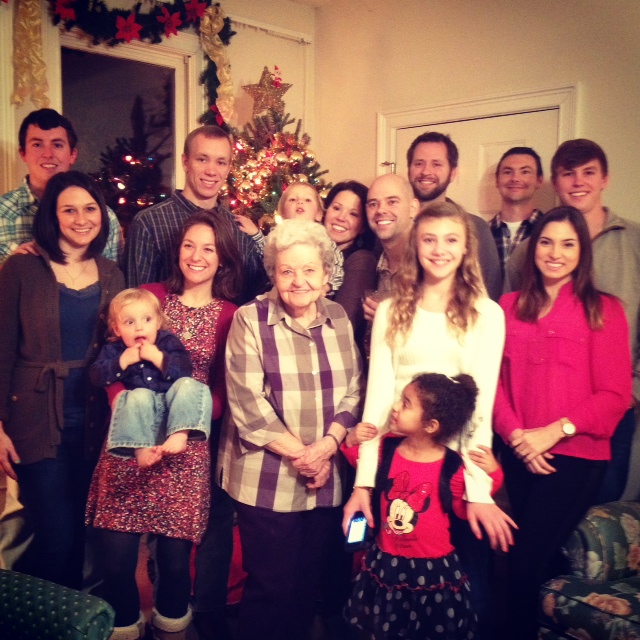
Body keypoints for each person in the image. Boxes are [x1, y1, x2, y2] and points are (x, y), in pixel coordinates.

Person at [343, 200, 515, 638]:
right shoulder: (390, 310)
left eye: (450, 240)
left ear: (466, 248)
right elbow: (378, 402)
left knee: (462, 600)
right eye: (429, 240)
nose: (439, 250)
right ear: (415, 246)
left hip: (453, 474)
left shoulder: (487, 314)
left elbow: (480, 407)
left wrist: (479, 491)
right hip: (398, 466)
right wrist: (363, 484)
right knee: (390, 593)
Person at [86, 211, 240, 640]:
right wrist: (129, 406)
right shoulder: (150, 297)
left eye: (208, 248)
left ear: (223, 258)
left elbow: (223, 391)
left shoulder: (231, 314)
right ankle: (124, 627)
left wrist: (185, 414)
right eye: (189, 245)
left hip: (182, 447)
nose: (197, 256)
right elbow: (109, 368)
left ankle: (170, 629)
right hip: (130, 438)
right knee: (116, 562)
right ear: (177, 251)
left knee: (174, 566)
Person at [218, 219, 364, 640]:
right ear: (273, 274)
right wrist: (307, 456)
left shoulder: (338, 317)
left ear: (326, 273)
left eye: (309, 270)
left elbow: (354, 390)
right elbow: (248, 406)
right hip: (267, 477)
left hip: (325, 475)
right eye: (287, 271)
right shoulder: (250, 319)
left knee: (306, 583)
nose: (299, 281)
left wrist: (327, 447)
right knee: (271, 587)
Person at [494, 206, 632, 640]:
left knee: (523, 563)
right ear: (533, 247)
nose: (556, 253)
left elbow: (615, 395)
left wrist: (553, 432)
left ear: (582, 251)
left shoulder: (604, 309)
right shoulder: (508, 307)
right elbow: (492, 383)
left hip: (575, 457)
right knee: (542, 564)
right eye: (547, 242)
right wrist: (517, 437)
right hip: (518, 453)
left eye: (568, 244)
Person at [0, 170, 124, 588]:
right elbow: (1, 348)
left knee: (81, 535)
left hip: (94, 424)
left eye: (90, 209)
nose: (81, 219)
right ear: (52, 216)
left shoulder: (112, 274)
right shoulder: (21, 268)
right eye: (69, 210)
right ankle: (20, 610)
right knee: (55, 537)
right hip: (34, 422)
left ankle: (68, 616)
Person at [505, 139, 640, 504]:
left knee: (602, 514)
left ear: (605, 179)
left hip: (611, 410)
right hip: (530, 422)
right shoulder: (525, 252)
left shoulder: (634, 240)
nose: (578, 182)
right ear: (555, 181)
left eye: (588, 172)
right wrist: (518, 430)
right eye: (568, 174)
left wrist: (631, 391)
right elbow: (511, 342)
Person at [343, 373, 503, 640]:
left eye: (406, 403)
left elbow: (469, 505)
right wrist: (351, 440)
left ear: (431, 425)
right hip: (386, 562)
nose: (395, 407)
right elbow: (361, 465)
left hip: (432, 570)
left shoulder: (451, 466)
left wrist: (494, 472)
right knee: (388, 625)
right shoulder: (386, 449)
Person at [124, 124, 266, 303]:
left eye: (221, 162)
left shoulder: (239, 228)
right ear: (185, 162)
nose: (211, 171)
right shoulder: (149, 223)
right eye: (202, 159)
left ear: (229, 167)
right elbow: (135, 301)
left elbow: (252, 302)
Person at [89, 288, 212, 468]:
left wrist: (159, 358)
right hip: (140, 414)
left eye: (147, 319)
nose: (139, 327)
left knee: (190, 384)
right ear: (117, 329)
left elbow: (185, 369)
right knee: (137, 395)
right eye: (130, 322)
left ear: (158, 322)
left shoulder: (167, 341)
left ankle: (180, 433)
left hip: (172, 407)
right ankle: (140, 447)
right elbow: (96, 376)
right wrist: (121, 362)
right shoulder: (114, 349)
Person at [0, 108, 123, 265]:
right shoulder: (2, 212)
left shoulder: (104, 218)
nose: (48, 154)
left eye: (57, 145)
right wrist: (9, 267)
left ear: (72, 155)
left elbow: (114, 276)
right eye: (37, 145)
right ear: (23, 153)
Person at [407, 131, 503, 300]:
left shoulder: (475, 227)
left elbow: (490, 293)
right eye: (419, 163)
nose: (426, 171)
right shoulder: (394, 224)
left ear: (453, 173)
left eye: (436, 164)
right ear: (409, 170)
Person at [236, 181, 345, 296]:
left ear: (319, 214)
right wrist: (256, 234)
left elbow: (336, 268)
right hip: (281, 293)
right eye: (292, 199)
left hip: (313, 293)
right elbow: (266, 255)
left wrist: (325, 288)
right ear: (282, 213)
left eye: (308, 200)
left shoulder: (324, 241)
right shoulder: (277, 236)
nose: (300, 202)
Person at [323, 180, 377, 351]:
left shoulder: (362, 260)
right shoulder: (308, 254)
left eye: (353, 214)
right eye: (336, 208)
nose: (341, 217)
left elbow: (342, 327)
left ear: (362, 227)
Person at [361, 174, 419, 324]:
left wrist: (391, 319)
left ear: (413, 208)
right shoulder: (372, 261)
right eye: (373, 204)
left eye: (392, 202)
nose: (381, 210)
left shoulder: (431, 259)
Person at [489, 146, 544, 275]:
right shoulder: (481, 233)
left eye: (525, 172)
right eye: (508, 172)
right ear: (497, 180)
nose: (515, 178)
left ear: (539, 180)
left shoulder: (549, 231)